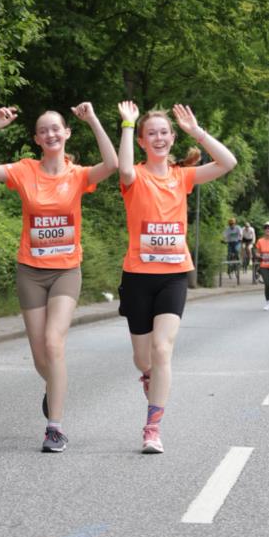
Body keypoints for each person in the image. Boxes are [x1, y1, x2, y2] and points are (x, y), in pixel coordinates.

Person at [0, 103, 117, 453]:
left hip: (65, 270)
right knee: (40, 358)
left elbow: (112, 165)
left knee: (53, 342)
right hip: (30, 271)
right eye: (43, 130)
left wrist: (93, 118)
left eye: (55, 128)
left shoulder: (77, 175)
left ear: (66, 134)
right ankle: (56, 387)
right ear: (36, 139)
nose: (50, 134)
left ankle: (55, 427)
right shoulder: (24, 171)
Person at [116, 101, 236, 454]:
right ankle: (150, 378)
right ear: (141, 141)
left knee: (162, 349)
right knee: (144, 359)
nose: (159, 138)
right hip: (138, 275)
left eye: (164, 133)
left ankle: (152, 428)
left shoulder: (182, 177)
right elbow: (122, 168)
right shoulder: (135, 177)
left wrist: (196, 132)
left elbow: (228, 163)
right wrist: (127, 124)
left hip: (173, 275)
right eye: (151, 133)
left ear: (171, 138)